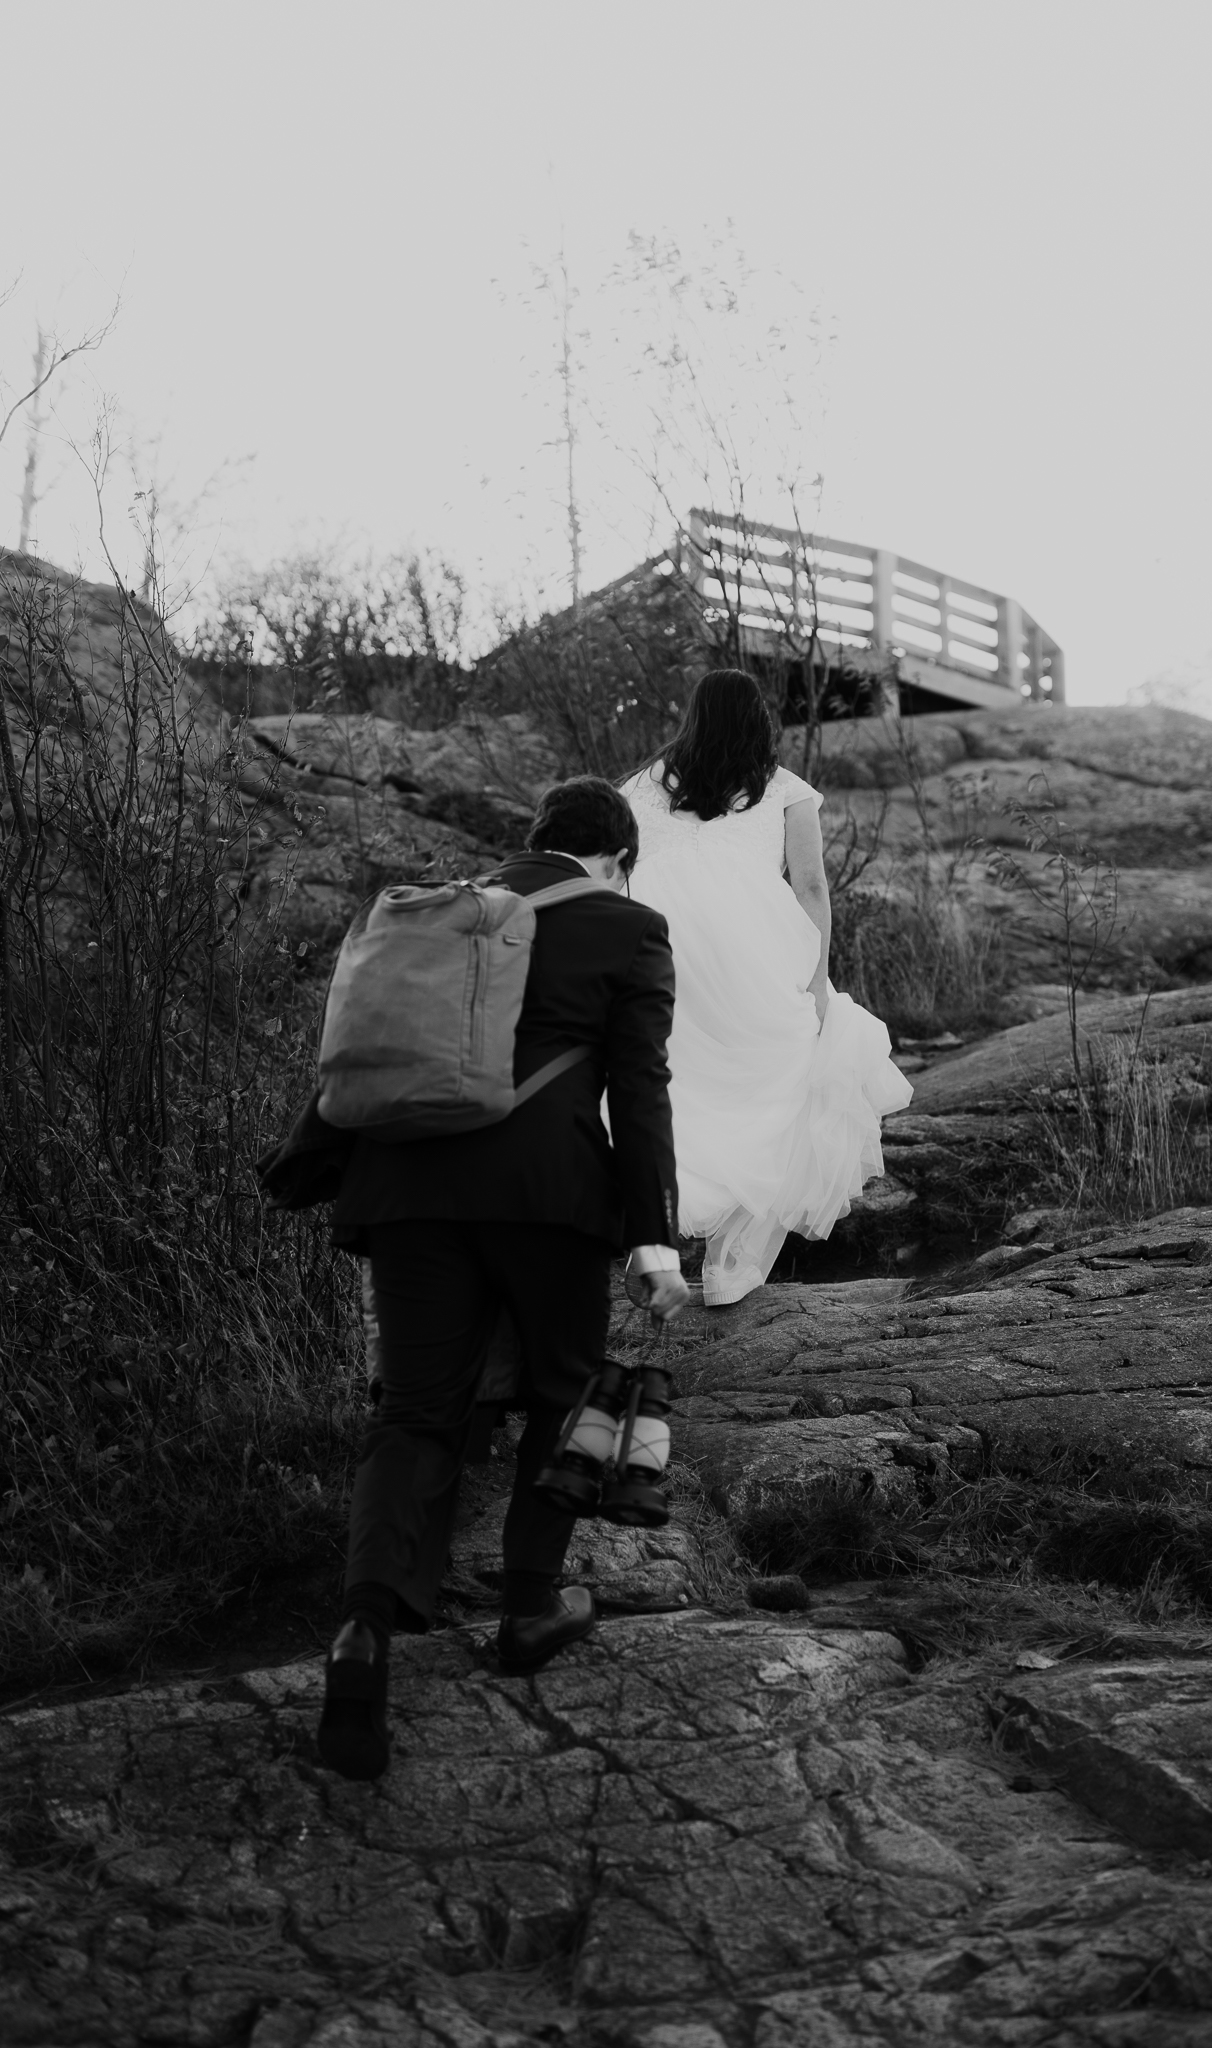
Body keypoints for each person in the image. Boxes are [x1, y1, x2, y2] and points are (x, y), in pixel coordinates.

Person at [318, 775, 689, 1781]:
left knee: (414, 1414)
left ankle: (362, 1633)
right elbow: (638, 1087)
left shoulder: (437, 910)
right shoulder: (628, 925)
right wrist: (654, 1239)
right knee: (565, 1393)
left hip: (403, 1186)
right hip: (546, 1196)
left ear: (534, 841)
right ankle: (530, 1606)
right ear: (617, 855)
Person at [620, 670, 913, 1306]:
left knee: (677, 1091)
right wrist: (815, 982)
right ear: (761, 721)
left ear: (692, 716)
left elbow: (617, 873)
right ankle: (729, 1267)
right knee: (784, 1084)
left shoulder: (643, 786)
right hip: (751, 954)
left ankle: (652, 1242)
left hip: (661, 954)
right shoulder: (784, 789)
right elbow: (810, 888)